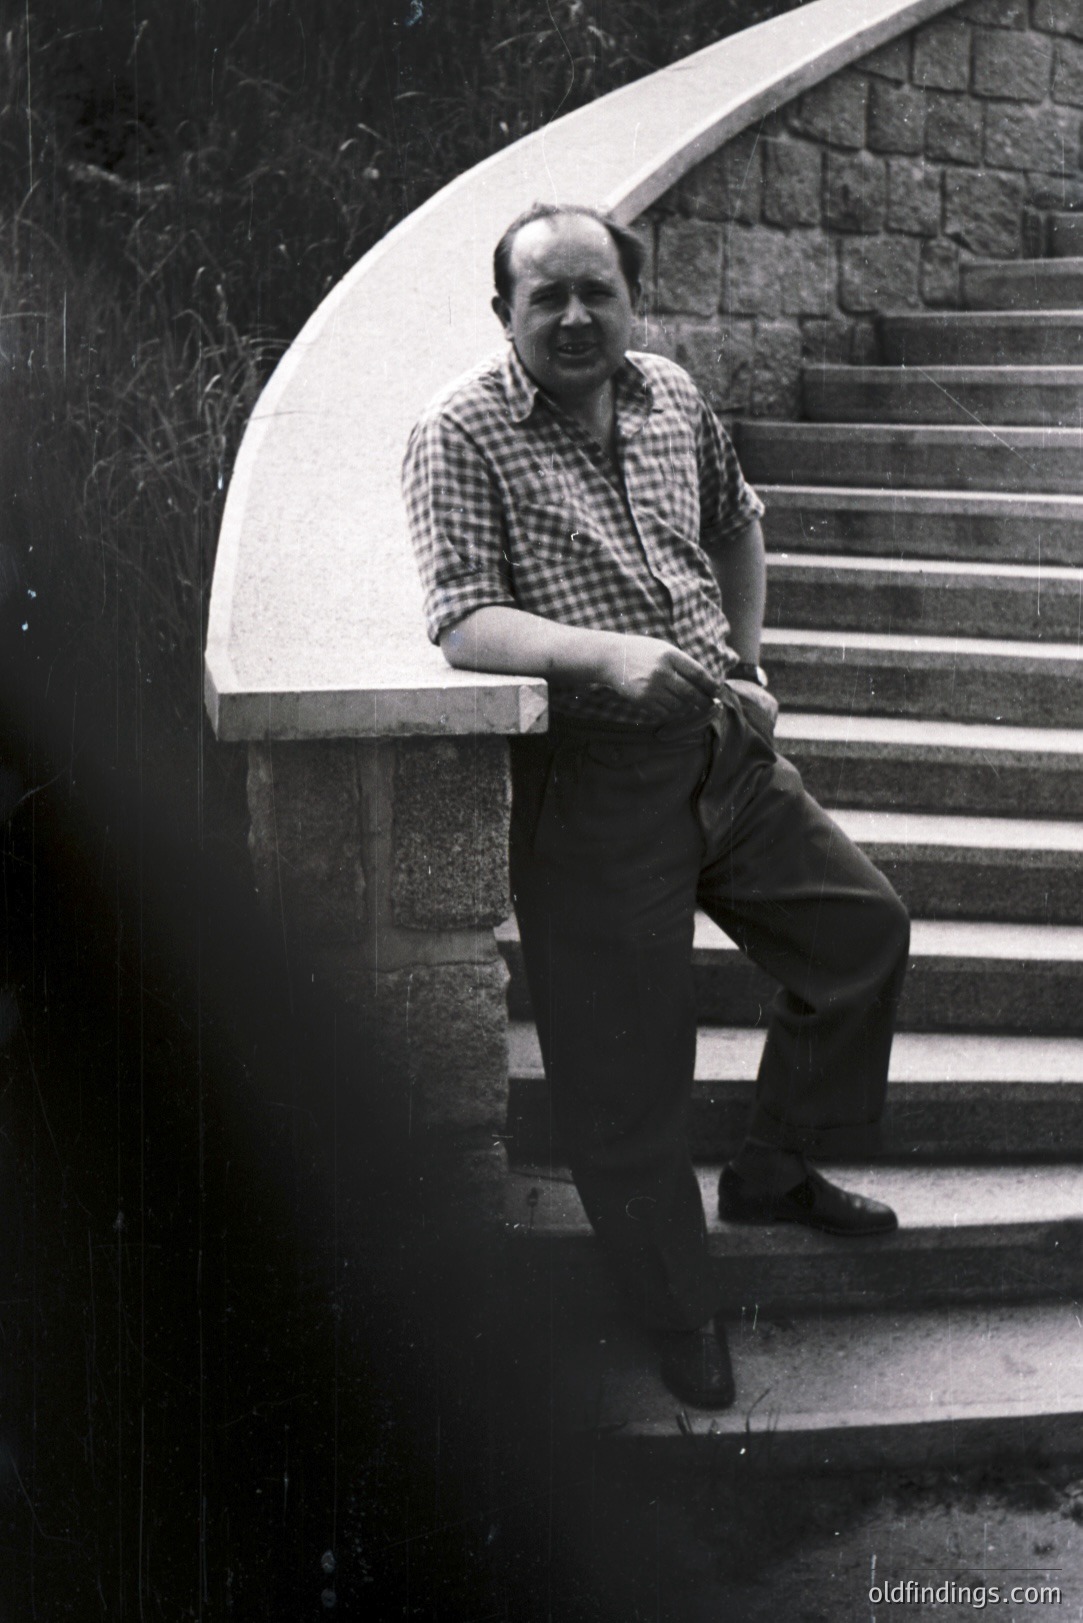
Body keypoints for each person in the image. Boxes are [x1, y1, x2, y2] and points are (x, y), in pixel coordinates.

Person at [401, 203, 910, 1409]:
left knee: (860, 933)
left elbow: (737, 521)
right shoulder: (459, 430)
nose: (577, 316)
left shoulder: (670, 395)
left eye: (600, 291)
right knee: (626, 1071)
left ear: (634, 299)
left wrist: (747, 660)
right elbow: (463, 620)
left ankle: (777, 1168)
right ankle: (676, 1308)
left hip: (722, 752)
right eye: (548, 297)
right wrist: (608, 658)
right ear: (504, 311)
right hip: (592, 785)